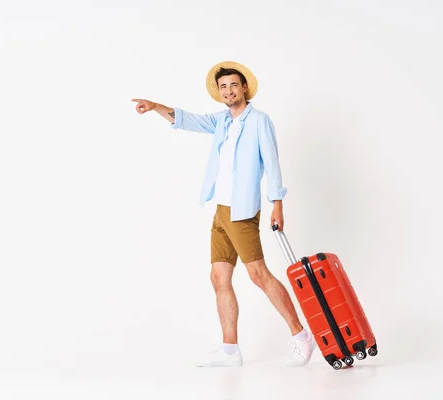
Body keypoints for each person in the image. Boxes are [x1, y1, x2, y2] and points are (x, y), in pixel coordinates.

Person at [132, 61, 316, 367]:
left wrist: (277, 203)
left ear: (244, 88)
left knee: (258, 274)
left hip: (243, 211)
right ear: (219, 93)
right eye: (223, 87)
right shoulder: (222, 122)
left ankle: (302, 337)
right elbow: (186, 120)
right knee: (219, 277)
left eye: (233, 85)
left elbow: (272, 163)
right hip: (221, 209)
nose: (229, 91)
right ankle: (230, 351)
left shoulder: (259, 121)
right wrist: (154, 107)